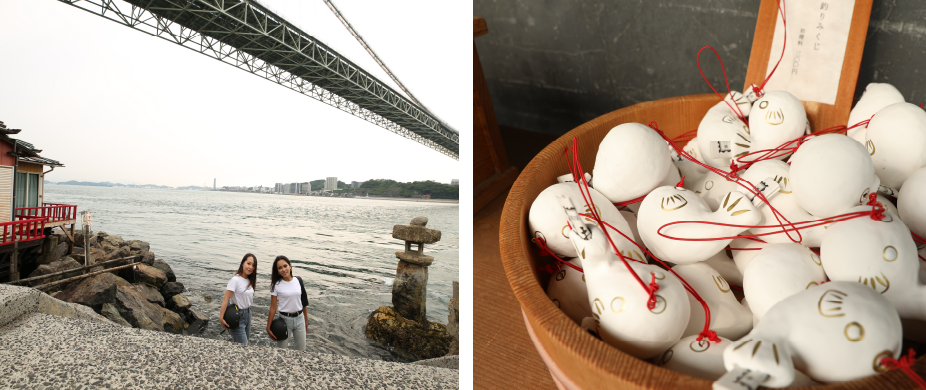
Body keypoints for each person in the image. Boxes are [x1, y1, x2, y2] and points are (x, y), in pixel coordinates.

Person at [266, 255, 308, 351]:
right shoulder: (276, 285)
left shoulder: (298, 280)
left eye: (285, 266)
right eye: (280, 268)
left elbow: (304, 302)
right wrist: (268, 327)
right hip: (284, 321)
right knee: (281, 351)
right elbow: (273, 307)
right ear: (277, 271)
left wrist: (306, 320)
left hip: (300, 319)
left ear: (290, 266)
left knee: (301, 350)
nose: (283, 269)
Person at [220, 253, 257, 344]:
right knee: (243, 347)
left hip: (248, 314)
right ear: (242, 263)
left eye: (253, 265)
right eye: (248, 263)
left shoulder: (249, 280)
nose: (251, 267)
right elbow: (226, 299)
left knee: (244, 346)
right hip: (237, 316)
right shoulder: (235, 280)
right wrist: (221, 317)